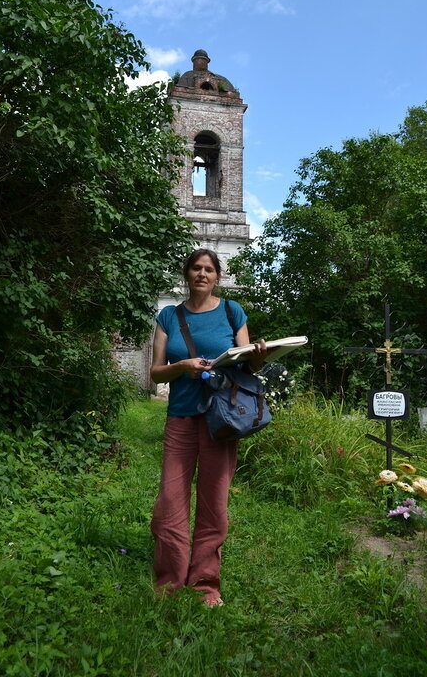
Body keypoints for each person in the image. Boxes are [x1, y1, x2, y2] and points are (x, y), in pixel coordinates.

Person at [150, 248, 265, 606]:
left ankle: (205, 584)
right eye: (196, 268)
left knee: (214, 502)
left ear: (217, 277)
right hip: (181, 417)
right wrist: (182, 366)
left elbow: (247, 366)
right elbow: (155, 373)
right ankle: (169, 582)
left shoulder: (232, 312)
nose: (202, 274)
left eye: (209, 269)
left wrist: (258, 357)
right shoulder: (168, 317)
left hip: (222, 419)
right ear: (187, 274)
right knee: (171, 500)